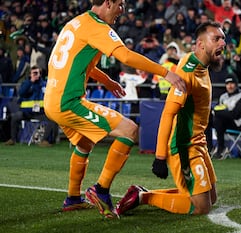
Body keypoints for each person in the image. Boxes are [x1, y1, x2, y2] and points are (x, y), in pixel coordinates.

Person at [43, 0, 186, 219]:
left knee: (84, 142)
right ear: (107, 3)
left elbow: (79, 62)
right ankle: (100, 190)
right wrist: (166, 73)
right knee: (129, 130)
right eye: (120, 4)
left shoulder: (75, 23)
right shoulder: (98, 26)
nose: (123, 10)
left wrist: (107, 80)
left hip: (52, 99)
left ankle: (72, 198)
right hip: (67, 102)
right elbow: (126, 56)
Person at [115, 21, 226, 216]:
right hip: (184, 146)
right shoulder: (188, 72)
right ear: (200, 44)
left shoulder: (202, 64)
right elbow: (168, 113)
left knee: (211, 198)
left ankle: (142, 193)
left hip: (198, 143)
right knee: (201, 207)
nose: (222, 43)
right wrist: (160, 157)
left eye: (223, 38)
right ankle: (143, 197)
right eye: (216, 39)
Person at [4, 66, 58, 146]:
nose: (36, 74)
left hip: (40, 112)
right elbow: (21, 93)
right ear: (30, 74)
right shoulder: (26, 83)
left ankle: (44, 141)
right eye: (34, 73)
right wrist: (30, 82)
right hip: (27, 112)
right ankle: (13, 139)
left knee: (52, 120)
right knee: (14, 117)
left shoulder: (43, 84)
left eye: (38, 73)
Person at [207, 74, 241, 159]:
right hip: (224, 122)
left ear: (236, 84)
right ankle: (210, 148)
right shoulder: (223, 96)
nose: (230, 86)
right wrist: (217, 112)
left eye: (232, 83)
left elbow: (235, 115)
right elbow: (216, 109)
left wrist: (218, 112)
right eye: (227, 84)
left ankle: (221, 148)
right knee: (207, 118)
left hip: (238, 124)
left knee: (218, 119)